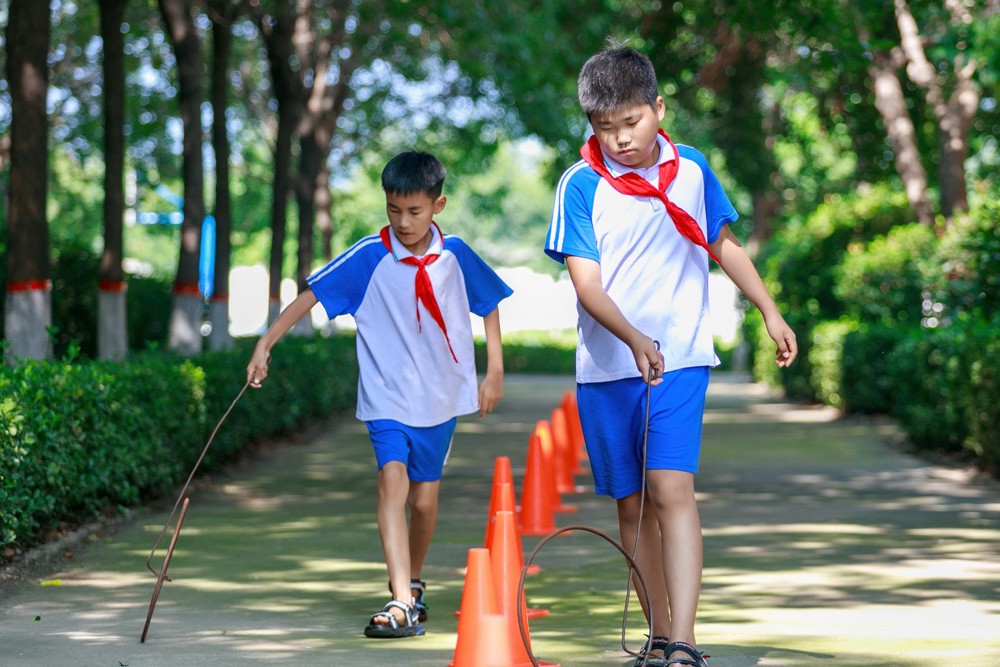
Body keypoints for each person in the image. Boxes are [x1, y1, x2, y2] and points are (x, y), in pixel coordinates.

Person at [544, 46, 797, 667]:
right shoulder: (580, 184)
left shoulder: (692, 171)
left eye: (631, 122)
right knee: (632, 503)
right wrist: (632, 339)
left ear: (659, 109)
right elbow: (587, 286)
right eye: (605, 128)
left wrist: (769, 308)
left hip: (680, 357)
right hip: (608, 368)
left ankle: (683, 639)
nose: (621, 139)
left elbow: (724, 244)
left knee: (670, 491)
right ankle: (655, 633)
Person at [247, 150, 512, 639]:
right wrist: (266, 343)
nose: (404, 221)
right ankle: (400, 601)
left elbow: (489, 304)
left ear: (438, 205)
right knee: (393, 480)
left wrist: (493, 371)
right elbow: (310, 296)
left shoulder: (456, 255)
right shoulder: (370, 255)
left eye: (415, 211)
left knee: (425, 500)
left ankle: (412, 580)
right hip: (387, 397)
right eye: (394, 210)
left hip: (442, 397)